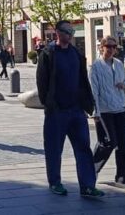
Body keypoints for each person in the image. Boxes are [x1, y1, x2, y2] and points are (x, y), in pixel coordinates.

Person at [36, 20, 104, 198]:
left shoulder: (76, 53)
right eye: (67, 31)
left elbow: (82, 80)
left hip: (76, 110)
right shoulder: (48, 53)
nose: (70, 34)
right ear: (57, 32)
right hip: (56, 111)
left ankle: (88, 186)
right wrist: (49, 104)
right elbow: (42, 82)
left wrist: (87, 104)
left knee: (83, 148)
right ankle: (55, 182)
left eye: (72, 31)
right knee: (54, 149)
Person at [89, 36, 125, 190]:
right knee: (107, 142)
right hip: (105, 110)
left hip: (121, 107)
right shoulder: (95, 66)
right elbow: (93, 90)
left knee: (124, 144)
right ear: (101, 47)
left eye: (114, 47)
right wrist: (95, 112)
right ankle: (91, 171)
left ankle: (123, 179)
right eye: (108, 46)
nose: (111, 49)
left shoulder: (119, 64)